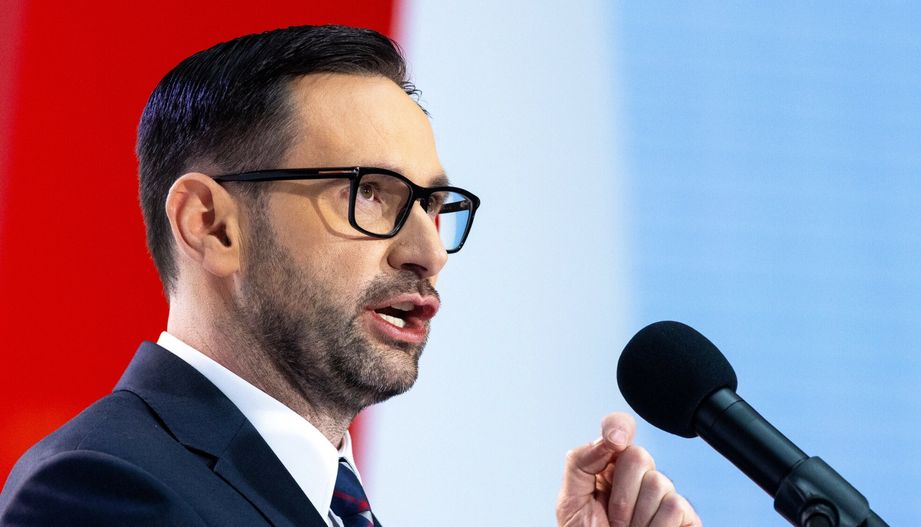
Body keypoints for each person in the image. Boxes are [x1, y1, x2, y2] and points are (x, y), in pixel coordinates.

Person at [0, 25, 701, 527]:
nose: (428, 251)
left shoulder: (322, 498)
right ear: (211, 225)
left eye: (434, 205)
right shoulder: (103, 488)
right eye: (370, 193)